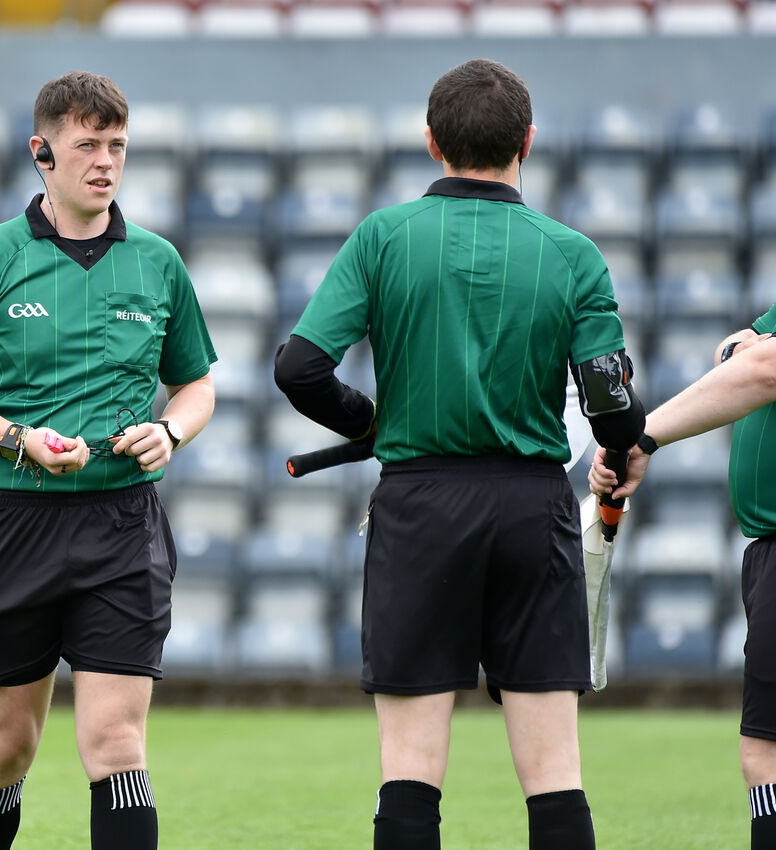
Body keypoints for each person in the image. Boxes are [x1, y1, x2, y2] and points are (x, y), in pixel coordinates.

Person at [274, 58, 646, 849]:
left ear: (433, 142)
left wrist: (365, 421)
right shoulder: (573, 253)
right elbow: (611, 402)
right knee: (555, 774)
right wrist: (622, 447)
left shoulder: (383, 236)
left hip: (420, 508)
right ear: (529, 142)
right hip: (532, 509)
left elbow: (298, 369)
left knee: (409, 769)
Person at [0, 70, 215, 850]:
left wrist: (169, 433)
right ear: (42, 152)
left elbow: (197, 384)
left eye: (117, 146)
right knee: (5, 748)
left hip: (120, 526)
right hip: (11, 522)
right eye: (86, 145)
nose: (104, 161)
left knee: (117, 746)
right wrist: (13, 436)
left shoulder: (159, 263)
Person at [589, 322, 776, 850]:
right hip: (767, 551)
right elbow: (734, 347)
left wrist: (643, 435)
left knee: (766, 754)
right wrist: (742, 351)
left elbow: (761, 368)